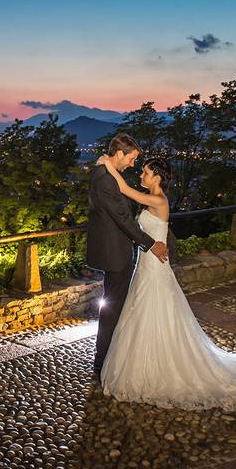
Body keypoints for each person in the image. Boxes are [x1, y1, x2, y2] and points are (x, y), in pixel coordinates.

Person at [96, 154, 236, 411]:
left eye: (145, 172)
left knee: (156, 314)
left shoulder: (158, 201)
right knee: (141, 314)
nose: (141, 176)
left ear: (156, 177)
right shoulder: (152, 201)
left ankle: (160, 366)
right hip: (145, 268)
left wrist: (107, 165)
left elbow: (124, 189)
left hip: (155, 270)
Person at [87, 133, 168, 377]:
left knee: (115, 305)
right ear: (119, 153)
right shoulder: (106, 179)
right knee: (113, 307)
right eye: (131, 158)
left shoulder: (104, 173)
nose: (133, 165)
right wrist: (150, 244)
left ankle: (109, 357)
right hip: (116, 253)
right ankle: (103, 362)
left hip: (116, 250)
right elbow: (123, 219)